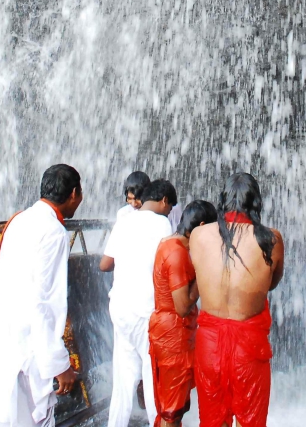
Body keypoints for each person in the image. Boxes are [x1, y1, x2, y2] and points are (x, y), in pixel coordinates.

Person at [0, 164, 83, 427]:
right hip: (25, 352)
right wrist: (59, 364)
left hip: (0, 340)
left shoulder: (19, 220)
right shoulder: (54, 232)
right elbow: (45, 303)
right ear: (73, 193)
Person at [188, 173, 284, 427]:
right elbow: (271, 283)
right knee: (249, 421)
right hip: (248, 346)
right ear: (256, 202)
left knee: (212, 421)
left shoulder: (198, 235)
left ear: (223, 201)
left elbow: (198, 271)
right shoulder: (271, 239)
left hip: (209, 345)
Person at [100, 179, 177, 427]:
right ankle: (157, 422)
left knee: (123, 380)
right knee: (152, 377)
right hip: (146, 310)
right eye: (170, 207)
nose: (169, 212)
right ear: (164, 201)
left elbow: (106, 262)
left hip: (120, 307)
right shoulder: (163, 224)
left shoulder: (124, 221)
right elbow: (168, 265)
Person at [149, 200, 218, 427]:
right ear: (201, 226)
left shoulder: (170, 243)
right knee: (172, 410)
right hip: (173, 335)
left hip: (171, 332)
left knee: (173, 406)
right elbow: (182, 306)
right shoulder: (176, 253)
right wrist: (202, 270)